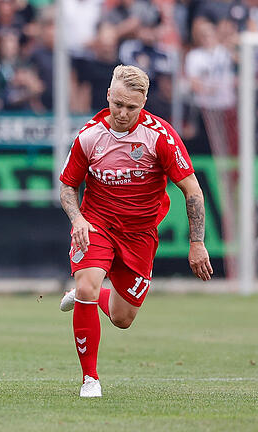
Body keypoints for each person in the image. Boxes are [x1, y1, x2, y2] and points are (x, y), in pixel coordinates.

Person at [58, 65, 212, 398]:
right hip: (96, 225)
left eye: (133, 107)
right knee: (87, 282)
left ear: (144, 103)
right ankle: (90, 379)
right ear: (109, 96)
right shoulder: (89, 136)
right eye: (119, 105)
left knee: (122, 317)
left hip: (140, 235)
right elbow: (68, 187)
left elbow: (193, 191)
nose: (124, 113)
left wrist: (197, 242)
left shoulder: (160, 136)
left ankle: (88, 296)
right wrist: (78, 220)